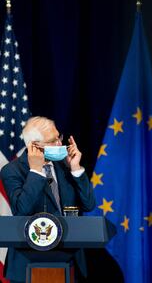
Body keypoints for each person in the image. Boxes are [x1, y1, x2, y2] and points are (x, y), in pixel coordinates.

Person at [0, 116, 96, 282]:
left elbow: (89, 204)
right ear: (35, 146)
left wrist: (76, 169)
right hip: (27, 266)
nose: (60, 144)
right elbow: (22, 210)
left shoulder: (65, 165)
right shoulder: (12, 170)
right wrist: (36, 171)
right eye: (53, 141)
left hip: (70, 262)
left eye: (59, 137)